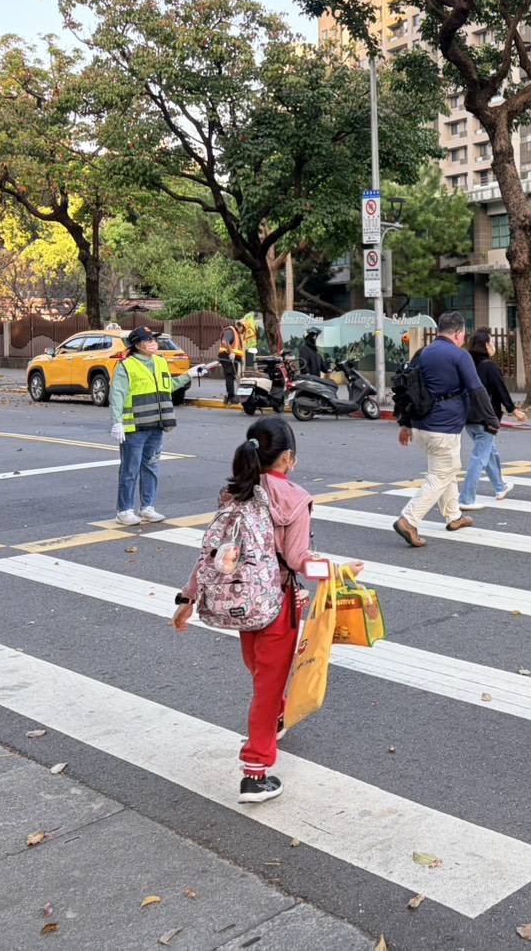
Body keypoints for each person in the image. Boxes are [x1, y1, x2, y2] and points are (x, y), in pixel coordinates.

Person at [172, 417, 320, 805]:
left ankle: (275, 721)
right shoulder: (293, 498)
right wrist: (335, 571)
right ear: (288, 458)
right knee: (268, 687)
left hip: (240, 602)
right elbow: (298, 558)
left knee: (260, 670)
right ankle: (255, 773)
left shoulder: (236, 493)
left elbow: (213, 555)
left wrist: (188, 598)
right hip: (275, 603)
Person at [393, 311, 499, 548]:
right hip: (443, 426)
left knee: (445, 470)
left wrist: (405, 423)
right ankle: (408, 520)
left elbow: (406, 389)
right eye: (463, 335)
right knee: (442, 474)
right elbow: (477, 390)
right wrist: (491, 420)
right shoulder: (458, 355)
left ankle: (454, 516)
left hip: (421, 426)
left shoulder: (422, 353)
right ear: (459, 333)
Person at [110, 326, 177, 526]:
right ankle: (124, 511)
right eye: (149, 341)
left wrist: (190, 375)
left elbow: (169, 386)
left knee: (151, 466)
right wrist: (117, 422)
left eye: (154, 341)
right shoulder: (127, 365)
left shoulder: (160, 362)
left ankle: (147, 507)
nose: (154, 344)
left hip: (156, 424)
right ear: (138, 345)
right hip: (135, 427)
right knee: (130, 470)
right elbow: (118, 394)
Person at [460, 328, 527, 510]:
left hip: (469, 419)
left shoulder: (467, 364)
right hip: (486, 419)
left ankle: (500, 487)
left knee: (490, 452)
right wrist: (514, 410)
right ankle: (466, 499)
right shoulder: (489, 366)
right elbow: (500, 390)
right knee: (479, 458)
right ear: (486, 346)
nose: (493, 346)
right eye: (491, 342)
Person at [218, 320, 246, 404]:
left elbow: (237, 348)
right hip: (227, 358)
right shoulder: (230, 331)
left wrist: (240, 359)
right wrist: (231, 353)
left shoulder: (237, 333)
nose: (243, 331)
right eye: (243, 329)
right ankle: (231, 396)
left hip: (233, 359)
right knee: (229, 376)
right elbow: (224, 342)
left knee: (232, 377)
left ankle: (228, 395)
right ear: (239, 326)